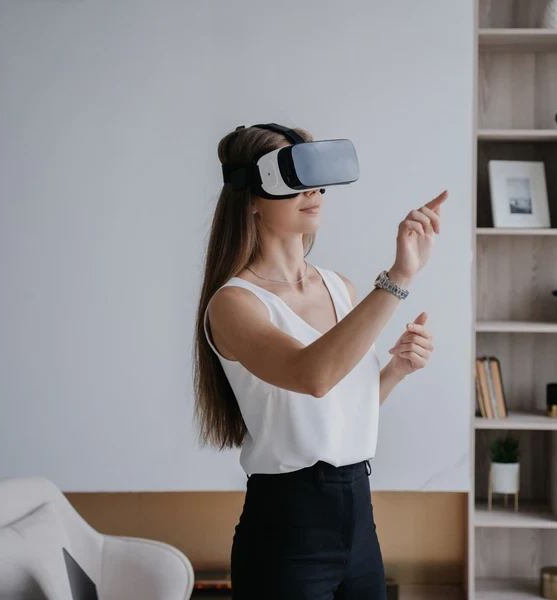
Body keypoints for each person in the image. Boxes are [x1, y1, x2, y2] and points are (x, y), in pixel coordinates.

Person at [193, 123, 448, 599]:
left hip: (358, 518)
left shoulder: (339, 287)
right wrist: (399, 276)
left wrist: (395, 369)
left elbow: (342, 407)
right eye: (292, 177)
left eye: (313, 174)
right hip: (287, 531)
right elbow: (313, 376)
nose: (312, 190)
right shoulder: (234, 304)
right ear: (251, 197)